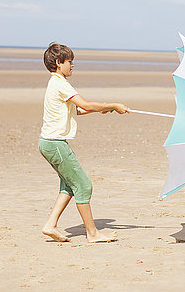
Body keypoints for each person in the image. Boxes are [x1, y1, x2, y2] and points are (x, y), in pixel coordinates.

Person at [38, 42, 129, 244]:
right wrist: (112, 104)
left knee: (69, 187)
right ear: (58, 62)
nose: (72, 65)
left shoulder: (56, 83)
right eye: (70, 62)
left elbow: (78, 110)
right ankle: (93, 233)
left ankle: (50, 225)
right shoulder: (60, 83)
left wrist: (102, 109)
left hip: (50, 143)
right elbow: (85, 104)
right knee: (83, 185)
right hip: (55, 144)